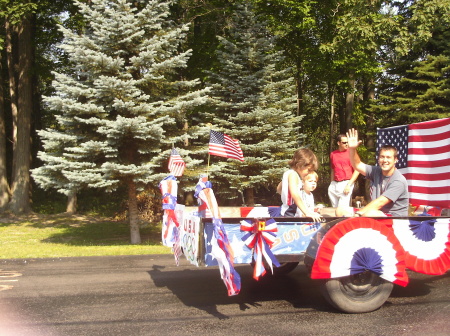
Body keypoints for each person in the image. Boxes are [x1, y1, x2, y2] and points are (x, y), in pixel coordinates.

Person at [343, 128, 409, 217]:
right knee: (341, 210)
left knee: (369, 213)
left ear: (395, 160)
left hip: (394, 219)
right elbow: (357, 165)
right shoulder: (376, 171)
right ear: (378, 159)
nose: (385, 160)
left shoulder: (399, 180)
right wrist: (352, 149)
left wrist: (359, 213)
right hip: (377, 213)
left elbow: (380, 202)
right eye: (382, 157)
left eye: (388, 157)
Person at [277, 148, 322, 222]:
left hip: (287, 211)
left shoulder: (288, 173)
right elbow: (295, 195)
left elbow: (279, 189)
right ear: (299, 165)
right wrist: (307, 212)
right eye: (308, 169)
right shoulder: (293, 175)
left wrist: (286, 196)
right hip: (290, 213)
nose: (309, 172)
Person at [328, 134, 360, 209]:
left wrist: (349, 185)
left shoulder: (352, 153)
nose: (346, 144)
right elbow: (333, 169)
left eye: (347, 142)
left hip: (346, 182)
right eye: (344, 142)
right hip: (334, 183)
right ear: (338, 143)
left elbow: (357, 170)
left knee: (342, 208)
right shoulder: (333, 154)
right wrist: (331, 183)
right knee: (334, 209)